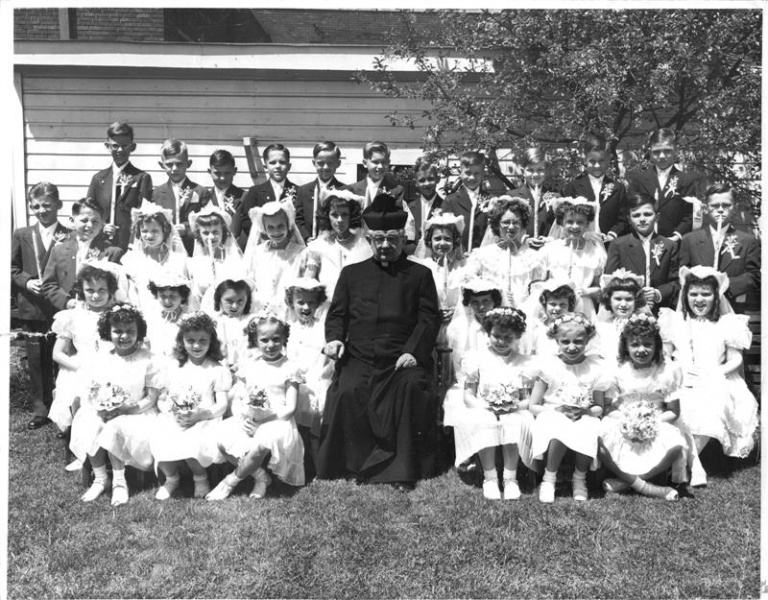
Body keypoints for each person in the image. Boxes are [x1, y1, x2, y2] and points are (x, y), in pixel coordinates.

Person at [316, 193, 441, 490]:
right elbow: (338, 314)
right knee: (348, 389)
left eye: (392, 239)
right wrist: (335, 340)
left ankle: (400, 469)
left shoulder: (420, 274)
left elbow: (428, 318)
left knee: (409, 388)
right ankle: (353, 464)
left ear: (403, 239)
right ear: (369, 239)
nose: (385, 245)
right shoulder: (351, 274)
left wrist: (413, 352)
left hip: (402, 356)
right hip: (360, 355)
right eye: (379, 239)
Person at [658, 266, 759, 486]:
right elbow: (665, 355)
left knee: (714, 402)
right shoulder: (674, 320)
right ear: (685, 295)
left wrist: (711, 373)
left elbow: (735, 360)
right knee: (681, 405)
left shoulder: (727, 323)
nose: (699, 300)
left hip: (716, 376)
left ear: (716, 296)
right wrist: (678, 370)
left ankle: (682, 462)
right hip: (681, 376)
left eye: (706, 294)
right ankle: (695, 466)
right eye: (693, 294)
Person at [70, 305, 162, 506]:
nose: (124, 336)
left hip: (138, 412)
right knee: (91, 423)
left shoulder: (148, 359)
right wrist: (102, 407)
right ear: (108, 332)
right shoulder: (103, 359)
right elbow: (94, 390)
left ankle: (119, 482)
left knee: (114, 427)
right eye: (118, 331)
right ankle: (101, 478)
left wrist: (127, 409)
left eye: (130, 331)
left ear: (139, 332)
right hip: (107, 410)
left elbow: (151, 398)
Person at [207, 312, 305, 500]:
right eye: (264, 340)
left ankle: (229, 482)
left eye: (276, 339)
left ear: (284, 339)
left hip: (278, 420)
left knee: (261, 444)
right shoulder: (250, 365)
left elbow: (290, 408)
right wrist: (242, 418)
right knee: (221, 439)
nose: (270, 345)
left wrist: (262, 423)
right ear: (256, 341)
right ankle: (261, 477)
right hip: (251, 418)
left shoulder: (290, 368)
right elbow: (238, 398)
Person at [599, 314, 688, 501]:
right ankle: (648, 488)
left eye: (648, 344)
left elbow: (673, 412)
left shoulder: (667, 371)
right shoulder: (617, 370)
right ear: (626, 346)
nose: (642, 350)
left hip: (657, 419)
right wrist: (628, 421)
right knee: (600, 440)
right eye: (635, 345)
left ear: (656, 346)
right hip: (623, 417)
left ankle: (628, 482)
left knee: (676, 445)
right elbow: (608, 408)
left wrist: (651, 422)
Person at [453, 308, 536, 500]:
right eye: (496, 336)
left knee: (515, 422)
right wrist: (486, 407)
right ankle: (489, 478)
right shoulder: (476, 359)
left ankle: (510, 478)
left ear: (517, 337)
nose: (501, 341)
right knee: (485, 422)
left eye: (508, 337)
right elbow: (468, 395)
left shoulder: (524, 363)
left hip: (514, 409)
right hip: (483, 407)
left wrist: (513, 407)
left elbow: (527, 398)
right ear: (488, 333)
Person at [528, 313, 610, 503]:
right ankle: (549, 478)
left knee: (589, 426)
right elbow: (533, 406)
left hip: (584, 413)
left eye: (578, 341)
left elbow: (599, 407)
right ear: (556, 340)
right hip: (552, 412)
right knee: (560, 425)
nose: (572, 347)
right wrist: (557, 411)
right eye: (565, 341)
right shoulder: (548, 365)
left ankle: (579, 478)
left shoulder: (596, 367)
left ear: (587, 340)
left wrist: (586, 411)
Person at [152, 311, 232, 501]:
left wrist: (200, 415)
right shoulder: (173, 367)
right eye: (191, 340)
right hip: (174, 415)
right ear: (182, 341)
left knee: (192, 438)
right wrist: (173, 415)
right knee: (159, 434)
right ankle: (171, 479)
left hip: (205, 416)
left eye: (203, 341)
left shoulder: (217, 369)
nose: (196, 346)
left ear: (211, 342)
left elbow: (222, 404)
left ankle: (200, 477)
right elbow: (162, 399)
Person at [11, 182, 70, 428]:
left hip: (59, 308)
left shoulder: (69, 234)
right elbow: (11, 268)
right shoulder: (22, 234)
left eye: (47, 205)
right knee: (36, 361)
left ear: (58, 205)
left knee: (62, 359)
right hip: (33, 307)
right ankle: (41, 408)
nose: (41, 210)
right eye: (36, 206)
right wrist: (26, 282)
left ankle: (64, 408)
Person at [48, 263, 119, 444]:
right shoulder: (72, 316)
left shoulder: (117, 315)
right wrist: (80, 367)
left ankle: (108, 439)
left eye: (102, 290)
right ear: (82, 291)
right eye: (90, 290)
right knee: (75, 391)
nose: (96, 296)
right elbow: (57, 353)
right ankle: (81, 441)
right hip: (80, 366)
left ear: (110, 291)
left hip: (112, 364)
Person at [679, 182, 760, 313]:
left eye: (726, 205)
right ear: (706, 208)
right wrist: (704, 287)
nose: (721, 210)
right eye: (715, 206)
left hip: (733, 310)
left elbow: (754, 277)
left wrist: (724, 284)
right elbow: (682, 276)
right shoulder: (689, 240)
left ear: (734, 208)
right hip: (698, 311)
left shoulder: (748, 241)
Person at [283, 278, 333, 479]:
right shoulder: (288, 328)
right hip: (294, 382)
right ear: (291, 303)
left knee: (315, 425)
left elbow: (328, 360)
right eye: (300, 302)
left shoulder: (322, 328)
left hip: (317, 380)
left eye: (311, 303)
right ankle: (295, 465)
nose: (306, 307)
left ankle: (319, 468)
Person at [41, 197, 124, 313]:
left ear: (101, 225)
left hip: (99, 312)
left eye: (95, 222)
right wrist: (67, 302)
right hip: (66, 311)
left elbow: (118, 288)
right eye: (84, 220)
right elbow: (49, 284)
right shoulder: (58, 250)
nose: (89, 225)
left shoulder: (112, 252)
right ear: (72, 221)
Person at [466, 196, 545, 308]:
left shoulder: (533, 258)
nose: (511, 227)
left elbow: (538, 293)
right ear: (497, 224)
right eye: (506, 222)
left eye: (516, 222)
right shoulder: (482, 256)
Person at [605, 193, 680, 311]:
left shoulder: (669, 246)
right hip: (627, 310)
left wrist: (658, 294)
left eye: (648, 214)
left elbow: (676, 281)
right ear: (629, 219)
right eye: (636, 215)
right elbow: (610, 281)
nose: (642, 219)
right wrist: (636, 298)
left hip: (660, 310)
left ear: (657, 217)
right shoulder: (618, 245)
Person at [626, 128, 703, 241]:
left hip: (673, 242)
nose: (662, 156)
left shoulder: (686, 181)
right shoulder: (638, 180)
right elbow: (630, 211)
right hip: (643, 241)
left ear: (675, 151)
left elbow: (689, 215)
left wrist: (676, 236)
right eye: (656, 152)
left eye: (667, 151)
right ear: (650, 152)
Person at [86, 122, 153, 250]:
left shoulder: (142, 178)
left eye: (125, 145)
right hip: (101, 245)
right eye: (115, 146)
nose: (120, 150)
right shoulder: (98, 179)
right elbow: (89, 213)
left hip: (129, 247)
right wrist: (102, 228)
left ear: (132, 147)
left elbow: (146, 216)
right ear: (108, 146)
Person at [538, 197, 607, 318]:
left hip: (584, 308)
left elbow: (598, 287)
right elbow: (540, 282)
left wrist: (586, 291)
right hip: (555, 307)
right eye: (569, 222)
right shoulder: (549, 249)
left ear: (587, 224)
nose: (575, 227)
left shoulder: (595, 251)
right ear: (561, 223)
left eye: (580, 222)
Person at [301, 190, 372, 302]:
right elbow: (308, 279)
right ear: (327, 216)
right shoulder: (319, 246)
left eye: (344, 215)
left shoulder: (363, 245)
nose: (340, 220)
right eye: (334, 215)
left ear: (351, 216)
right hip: (328, 305)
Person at [120, 203, 188, 311]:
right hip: (143, 312)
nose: (149, 235)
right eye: (144, 231)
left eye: (155, 231)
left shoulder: (178, 260)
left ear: (165, 231)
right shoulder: (132, 260)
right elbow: (131, 292)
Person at [563, 134, 628, 244]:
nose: (597, 166)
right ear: (585, 159)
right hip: (581, 245)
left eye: (601, 161)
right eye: (592, 161)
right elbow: (565, 218)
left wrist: (612, 234)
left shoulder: (618, 188)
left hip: (609, 245)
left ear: (608, 159)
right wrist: (583, 233)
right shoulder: (573, 187)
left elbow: (623, 219)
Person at [243, 200, 306, 312]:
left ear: (288, 225)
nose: (276, 232)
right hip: (261, 310)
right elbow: (249, 282)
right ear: (264, 229)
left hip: (289, 310)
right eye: (270, 227)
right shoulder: (256, 253)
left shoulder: (300, 253)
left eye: (280, 226)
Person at [152, 138, 212, 255]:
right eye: (169, 164)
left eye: (179, 164)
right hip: (164, 252)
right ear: (162, 165)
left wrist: (187, 228)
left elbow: (209, 223)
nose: (174, 168)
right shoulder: (157, 193)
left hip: (192, 250)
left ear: (188, 164)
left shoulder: (201, 192)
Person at [232, 143, 299, 248]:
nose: (277, 166)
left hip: (291, 245)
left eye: (282, 162)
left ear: (289, 166)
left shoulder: (298, 191)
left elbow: (300, 220)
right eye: (272, 162)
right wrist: (265, 237)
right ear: (265, 166)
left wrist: (287, 239)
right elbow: (247, 221)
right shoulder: (255, 192)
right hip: (262, 246)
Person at [187, 204, 243, 308]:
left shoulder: (233, 260)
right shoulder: (196, 262)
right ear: (200, 235)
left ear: (223, 232)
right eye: (206, 233)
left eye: (215, 232)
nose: (211, 237)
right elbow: (194, 297)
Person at [294, 141, 347, 241]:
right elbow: (298, 219)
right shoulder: (304, 190)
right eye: (320, 163)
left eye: (330, 163)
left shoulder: (345, 191)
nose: (325, 167)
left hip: (335, 244)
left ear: (338, 163)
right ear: (314, 163)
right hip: (309, 243)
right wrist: (306, 237)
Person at [594, 269, 649, 364]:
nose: (623, 304)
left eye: (628, 299)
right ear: (609, 300)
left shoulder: (643, 325)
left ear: (636, 300)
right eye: (618, 299)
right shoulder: (601, 326)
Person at [442, 151, 491, 253]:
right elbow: (444, 232)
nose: (472, 177)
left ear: (483, 174)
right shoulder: (451, 201)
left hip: (484, 256)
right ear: (461, 173)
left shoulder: (491, 200)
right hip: (458, 256)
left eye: (476, 173)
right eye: (468, 173)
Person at [510, 147, 558, 249]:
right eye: (530, 170)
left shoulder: (555, 198)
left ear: (546, 171)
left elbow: (561, 230)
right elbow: (504, 231)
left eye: (540, 170)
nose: (535, 174)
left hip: (547, 252)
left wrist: (550, 240)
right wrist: (524, 240)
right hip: (521, 253)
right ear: (523, 171)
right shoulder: (512, 197)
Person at [520, 279, 579, 357]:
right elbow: (531, 354)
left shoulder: (574, 328)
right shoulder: (537, 328)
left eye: (563, 305)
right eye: (553, 304)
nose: (557, 308)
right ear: (545, 305)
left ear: (569, 306)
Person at [144, 272, 193, 361]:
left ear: (182, 296)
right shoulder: (153, 318)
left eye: (173, 296)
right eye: (162, 296)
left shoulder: (189, 320)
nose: (167, 301)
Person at [343, 141, 403, 209]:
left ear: (389, 163)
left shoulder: (396, 191)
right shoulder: (352, 189)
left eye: (384, 162)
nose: (380, 166)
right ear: (365, 163)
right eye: (375, 162)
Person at [404, 156, 444, 252]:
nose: (426, 184)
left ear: (438, 179)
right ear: (416, 183)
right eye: (422, 180)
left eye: (430, 179)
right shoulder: (410, 207)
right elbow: (408, 238)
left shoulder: (446, 206)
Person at [206, 149, 246, 218]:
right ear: (210, 172)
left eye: (227, 173)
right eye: (217, 173)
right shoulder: (205, 198)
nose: (222, 178)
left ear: (234, 171)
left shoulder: (243, 197)